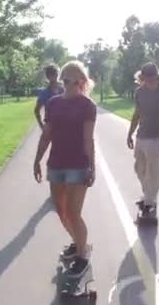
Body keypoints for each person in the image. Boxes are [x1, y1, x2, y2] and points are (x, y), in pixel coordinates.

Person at [33, 60, 97, 278]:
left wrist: (92, 167)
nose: (70, 84)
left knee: (73, 212)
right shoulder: (53, 103)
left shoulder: (88, 106)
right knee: (61, 212)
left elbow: (89, 139)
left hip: (78, 165)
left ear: (82, 82)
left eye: (75, 80)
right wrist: (37, 160)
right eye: (66, 80)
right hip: (56, 165)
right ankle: (79, 242)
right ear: (62, 81)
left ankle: (83, 256)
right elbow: (46, 134)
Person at [126, 62, 159, 217]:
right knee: (139, 169)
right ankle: (148, 195)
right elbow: (136, 114)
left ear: (157, 76)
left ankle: (149, 202)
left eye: (151, 77)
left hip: (157, 137)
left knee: (153, 172)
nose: (149, 80)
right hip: (142, 135)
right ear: (142, 77)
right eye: (145, 77)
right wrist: (129, 133)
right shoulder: (139, 92)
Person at [34, 64, 64, 129]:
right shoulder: (43, 93)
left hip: (65, 125)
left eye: (55, 74)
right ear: (47, 77)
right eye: (51, 75)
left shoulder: (65, 90)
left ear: (58, 75)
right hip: (51, 126)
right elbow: (36, 110)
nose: (53, 77)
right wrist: (41, 125)